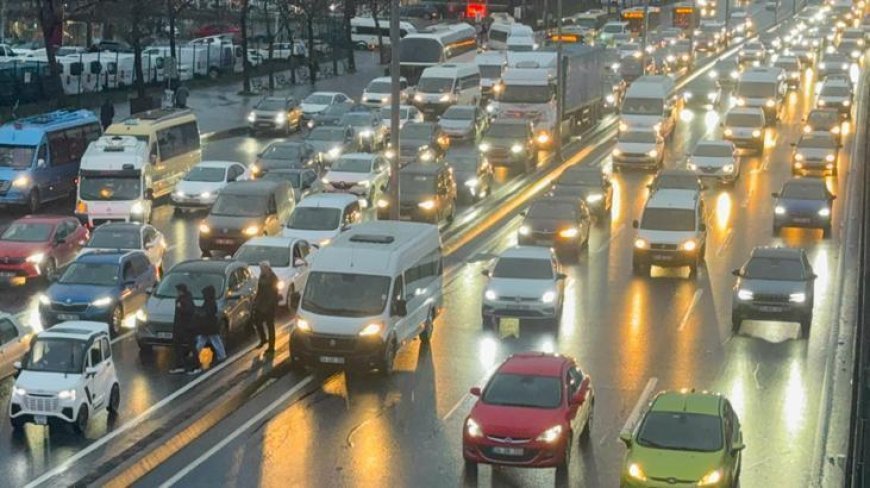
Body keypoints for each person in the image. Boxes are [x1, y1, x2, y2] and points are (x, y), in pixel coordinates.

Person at [170, 284, 200, 374]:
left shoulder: (186, 300)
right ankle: (180, 365)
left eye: (178, 291)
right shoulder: (181, 299)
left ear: (181, 291)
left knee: (191, 346)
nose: (177, 293)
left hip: (188, 327)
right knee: (177, 346)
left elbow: (189, 311)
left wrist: (181, 307)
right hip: (180, 327)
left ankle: (196, 366)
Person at [195, 285, 227, 364]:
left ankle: (222, 355)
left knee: (209, 340)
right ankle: (222, 355)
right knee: (211, 340)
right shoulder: (211, 302)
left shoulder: (209, 302)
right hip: (210, 325)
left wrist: (199, 312)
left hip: (208, 325)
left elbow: (207, 312)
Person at [252, 261, 279, 352]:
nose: (261, 270)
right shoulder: (261, 276)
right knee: (257, 321)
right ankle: (263, 339)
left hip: (270, 305)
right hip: (261, 303)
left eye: (262, 268)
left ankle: (271, 346)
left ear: (267, 268)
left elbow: (274, 294)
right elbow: (259, 290)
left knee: (270, 326)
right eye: (260, 269)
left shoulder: (273, 278)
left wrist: (269, 305)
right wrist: (255, 301)